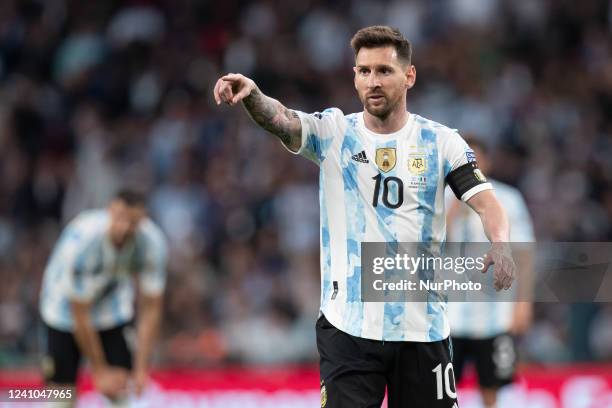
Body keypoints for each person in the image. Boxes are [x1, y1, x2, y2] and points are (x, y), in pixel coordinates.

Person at [213, 25, 516, 408]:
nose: (373, 81)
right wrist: (253, 96)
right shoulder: (333, 130)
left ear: (409, 76)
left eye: (384, 71)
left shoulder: (442, 142)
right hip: (348, 327)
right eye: (364, 71)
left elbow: (486, 201)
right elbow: (283, 119)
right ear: (354, 76)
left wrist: (501, 244)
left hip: (421, 327)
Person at [39, 190, 167, 405]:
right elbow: (79, 311)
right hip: (63, 312)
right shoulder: (83, 242)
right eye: (120, 218)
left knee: (119, 389)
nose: (124, 228)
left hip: (112, 310)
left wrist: (141, 367)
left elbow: (151, 306)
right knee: (61, 396)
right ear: (109, 212)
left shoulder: (152, 244)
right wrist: (98, 371)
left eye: (133, 222)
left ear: (142, 221)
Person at [446, 137, 535, 408]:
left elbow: (524, 254)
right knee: (443, 386)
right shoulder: (442, 199)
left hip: (495, 313)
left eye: (474, 160)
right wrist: (454, 209)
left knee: (492, 385)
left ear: (486, 162)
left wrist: (523, 303)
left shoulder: (507, 198)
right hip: (450, 314)